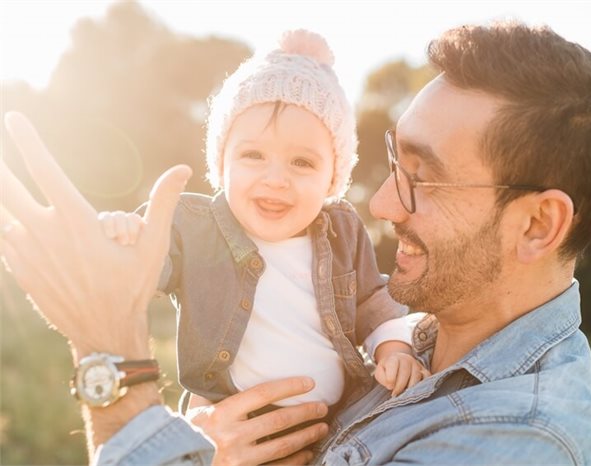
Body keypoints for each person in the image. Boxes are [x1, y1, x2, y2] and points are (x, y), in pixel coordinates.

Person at [1, 20, 591, 465]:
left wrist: (113, 357)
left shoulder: (516, 439)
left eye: (425, 177)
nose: (382, 204)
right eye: (393, 161)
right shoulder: (423, 339)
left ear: (537, 225)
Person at [95, 29, 426, 422]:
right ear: (222, 164)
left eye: (302, 163)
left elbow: (372, 299)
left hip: (332, 423)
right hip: (229, 424)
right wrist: (123, 238)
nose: (276, 179)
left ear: (332, 179)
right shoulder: (193, 226)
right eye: (253, 155)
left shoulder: (342, 230)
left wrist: (394, 350)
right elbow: (144, 267)